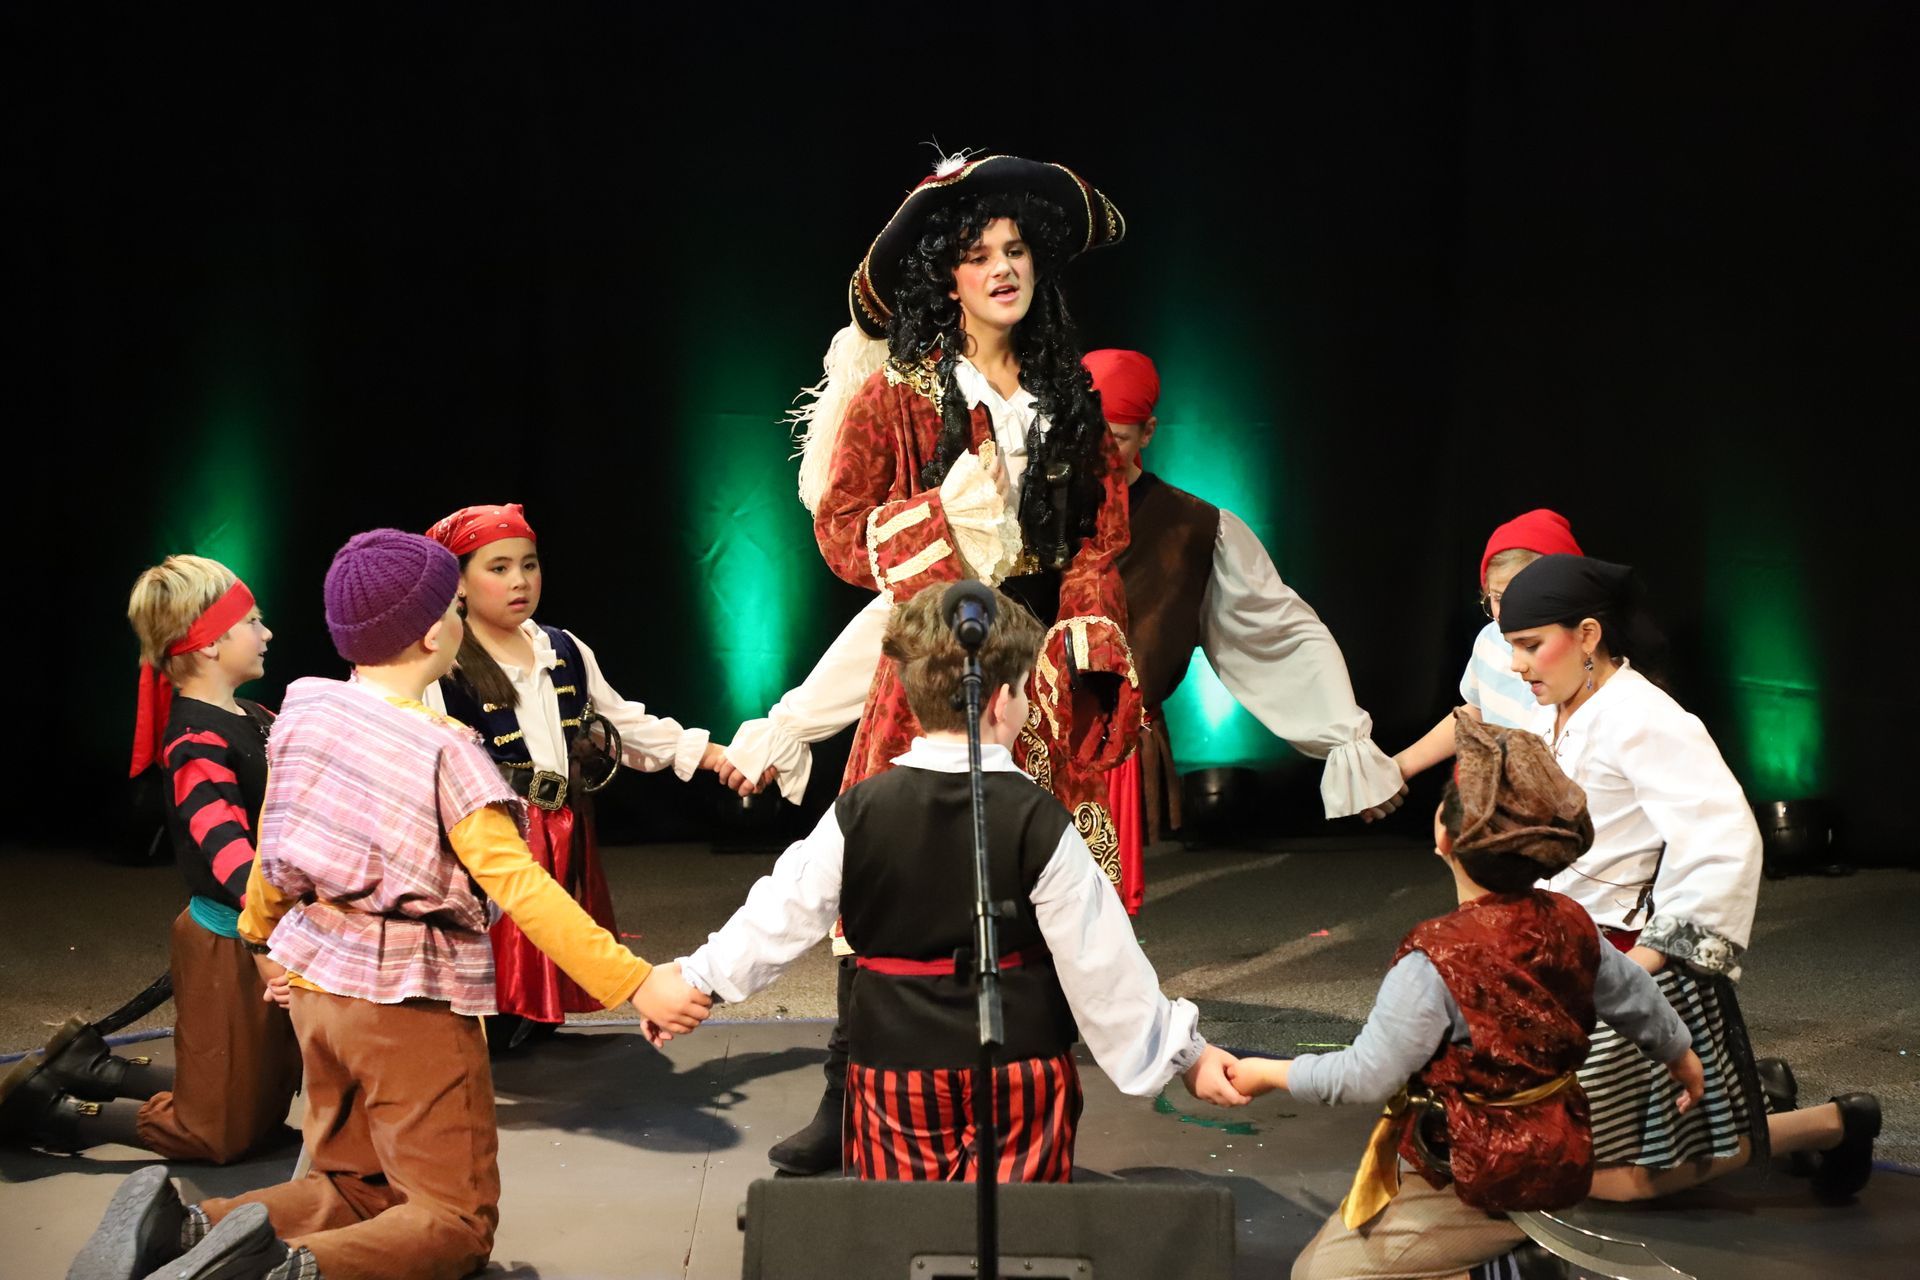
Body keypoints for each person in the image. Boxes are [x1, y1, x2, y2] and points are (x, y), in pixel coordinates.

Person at [65, 529, 713, 1280]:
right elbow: (523, 887)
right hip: (405, 1003)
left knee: (355, 1184)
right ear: (440, 630)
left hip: (316, 992)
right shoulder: (448, 752)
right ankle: (268, 1274)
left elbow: (276, 844)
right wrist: (637, 981)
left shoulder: (306, 712)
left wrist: (265, 940)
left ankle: (182, 1230)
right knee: (454, 1221)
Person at [731, 152, 1143, 1175]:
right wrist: (941, 530)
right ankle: (847, 1091)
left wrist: (1086, 639)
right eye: (977, 257)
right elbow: (839, 528)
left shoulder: (1067, 394)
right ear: (945, 278)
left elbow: (1097, 537)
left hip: (1035, 680)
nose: (1002, 269)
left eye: (1014, 250)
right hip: (929, 671)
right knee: (892, 885)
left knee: (1035, 889)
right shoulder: (903, 398)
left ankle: (1025, 1094)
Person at [680, 585, 1246, 1183]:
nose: (1032, 705)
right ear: (1001, 700)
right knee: (1023, 1231)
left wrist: (696, 978)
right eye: (1029, 689)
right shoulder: (1042, 820)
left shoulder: (858, 812)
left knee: (906, 1230)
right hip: (1018, 1074)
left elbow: (783, 910)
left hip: (893, 1074)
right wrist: (1186, 1057)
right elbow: (1101, 962)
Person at [1229, 712, 1702, 1280]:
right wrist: (1682, 1056)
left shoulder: (1436, 961)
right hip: (1560, 1146)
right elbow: (1637, 996)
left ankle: (1504, 1268)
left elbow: (1363, 1078)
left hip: (1482, 1169)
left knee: (1320, 1275)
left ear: (1443, 837)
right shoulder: (1573, 922)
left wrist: (1268, 1073)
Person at [1499, 554, 1879, 1204]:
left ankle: (1836, 1123)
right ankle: (1762, 1096)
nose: (1517, 665)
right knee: (1529, 1140)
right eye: (1513, 648)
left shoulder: (1645, 719)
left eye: (1532, 646)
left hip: (1630, 963)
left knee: (1613, 1180)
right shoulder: (1549, 716)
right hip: (1561, 956)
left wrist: (1651, 958)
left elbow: (1721, 835)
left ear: (1587, 635)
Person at [0, 555, 300, 1162]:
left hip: (273, 932)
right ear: (213, 642)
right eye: (253, 622)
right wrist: (272, 940)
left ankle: (97, 1068)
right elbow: (228, 857)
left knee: (264, 1095)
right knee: (216, 1131)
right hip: (233, 942)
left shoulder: (258, 717)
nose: (266, 633)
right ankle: (60, 1111)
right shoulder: (196, 740)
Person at [1088, 347, 1403, 909]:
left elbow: (1279, 631)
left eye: (1117, 437)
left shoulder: (1191, 529)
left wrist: (1346, 745)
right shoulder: (1025, 505)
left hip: (1108, 743)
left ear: (1149, 432)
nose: (1101, 453)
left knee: (1094, 910)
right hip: (1017, 738)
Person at [424, 503, 738, 1049]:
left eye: (529, 564)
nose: (519, 580)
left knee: (549, 937)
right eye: (497, 568)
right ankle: (484, 1037)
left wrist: (710, 754)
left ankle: (527, 1024)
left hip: (560, 826)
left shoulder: (561, 648)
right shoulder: (444, 662)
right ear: (458, 582)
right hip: (490, 830)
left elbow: (624, 724)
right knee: (493, 946)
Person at [1391, 510, 1583, 782]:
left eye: (1523, 598)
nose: (1508, 612)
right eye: (1498, 598)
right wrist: (1403, 765)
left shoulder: (1578, 659)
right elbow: (1477, 710)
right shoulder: (1489, 639)